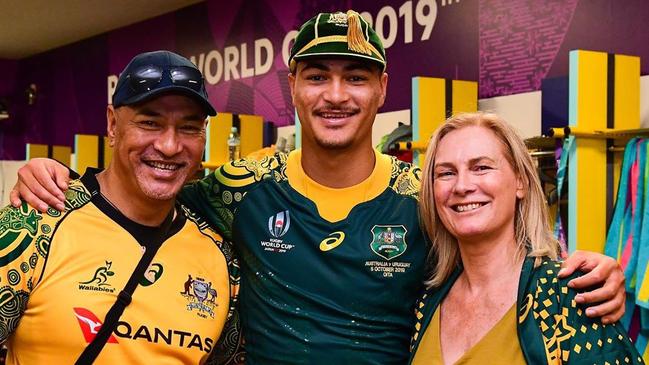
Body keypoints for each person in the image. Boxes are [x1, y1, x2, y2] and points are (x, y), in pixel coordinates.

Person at [11, 11, 626, 364]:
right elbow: (142, 194)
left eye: (355, 77)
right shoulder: (237, 189)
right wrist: (56, 179)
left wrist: (585, 274)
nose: (336, 94)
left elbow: (493, 258)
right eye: (318, 76)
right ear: (292, 88)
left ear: (383, 89)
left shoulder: (425, 198)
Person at [0, 51, 240, 364]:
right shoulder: (37, 221)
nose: (169, 146)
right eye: (150, 122)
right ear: (113, 125)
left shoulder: (222, 259)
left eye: (189, 127)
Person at [410, 112, 643, 364]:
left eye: (481, 167)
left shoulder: (567, 296)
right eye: (446, 173)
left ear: (520, 180)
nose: (462, 186)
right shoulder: (426, 300)